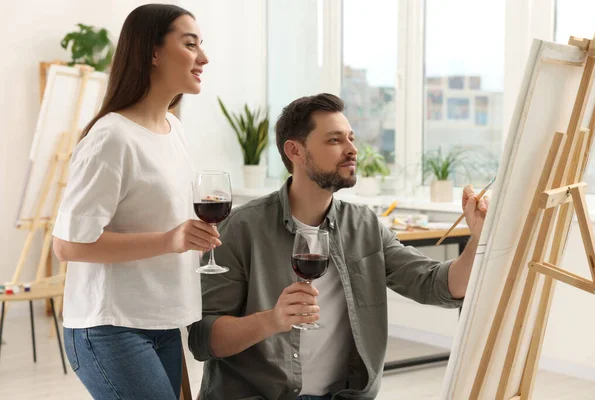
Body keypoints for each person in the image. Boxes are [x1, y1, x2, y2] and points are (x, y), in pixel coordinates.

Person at [188, 93, 489, 400]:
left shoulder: (364, 226)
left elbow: (435, 284)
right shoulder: (240, 228)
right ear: (295, 151)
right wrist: (271, 321)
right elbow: (203, 338)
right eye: (335, 140)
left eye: (351, 138)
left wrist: (478, 237)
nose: (352, 150)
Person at [52, 4, 219, 399]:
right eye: (190, 44)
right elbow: (67, 245)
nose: (204, 57)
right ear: (153, 53)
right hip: (109, 328)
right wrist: (170, 240)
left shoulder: (173, 129)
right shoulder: (111, 138)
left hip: (163, 321)